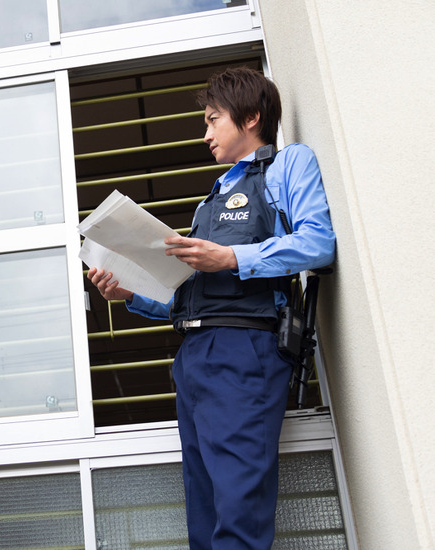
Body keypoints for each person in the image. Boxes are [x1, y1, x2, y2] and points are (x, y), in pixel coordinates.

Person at [87, 67, 335, 549]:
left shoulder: (288, 165)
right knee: (204, 516)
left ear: (251, 117)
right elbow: (190, 293)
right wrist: (128, 295)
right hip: (195, 355)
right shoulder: (212, 197)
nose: (205, 135)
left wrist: (231, 256)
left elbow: (318, 243)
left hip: (246, 349)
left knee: (239, 510)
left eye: (212, 120)